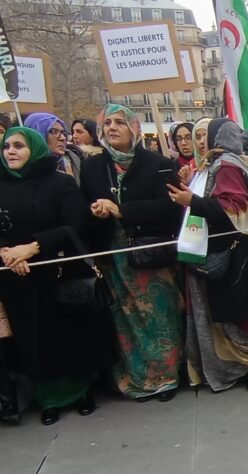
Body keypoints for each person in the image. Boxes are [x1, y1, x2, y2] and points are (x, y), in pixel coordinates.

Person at [0, 126, 114, 425]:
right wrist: (8, 253)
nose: (10, 151)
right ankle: (48, 398)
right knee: (32, 337)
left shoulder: (59, 183)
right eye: (6, 146)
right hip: (17, 276)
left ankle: (80, 392)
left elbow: (75, 226)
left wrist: (33, 247)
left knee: (67, 334)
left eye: (18, 146)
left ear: (34, 150)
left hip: (59, 271)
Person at [79, 104, 185, 401]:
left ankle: (166, 377)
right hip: (112, 255)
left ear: (135, 129)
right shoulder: (92, 167)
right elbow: (81, 207)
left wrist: (122, 210)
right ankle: (135, 378)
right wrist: (96, 210)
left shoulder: (158, 163)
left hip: (149, 253)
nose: (112, 128)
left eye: (120, 123)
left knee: (160, 316)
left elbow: (170, 208)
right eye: (107, 123)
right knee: (125, 319)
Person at [168, 118, 248, 391]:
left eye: (206, 135)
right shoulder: (209, 166)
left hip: (237, 254)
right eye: (197, 136)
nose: (200, 141)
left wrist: (193, 201)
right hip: (223, 249)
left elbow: (236, 210)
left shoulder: (226, 165)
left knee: (243, 316)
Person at [23, 112, 86, 184]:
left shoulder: (76, 162)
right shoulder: (20, 167)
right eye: (54, 132)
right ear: (37, 134)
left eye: (63, 132)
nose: (62, 138)